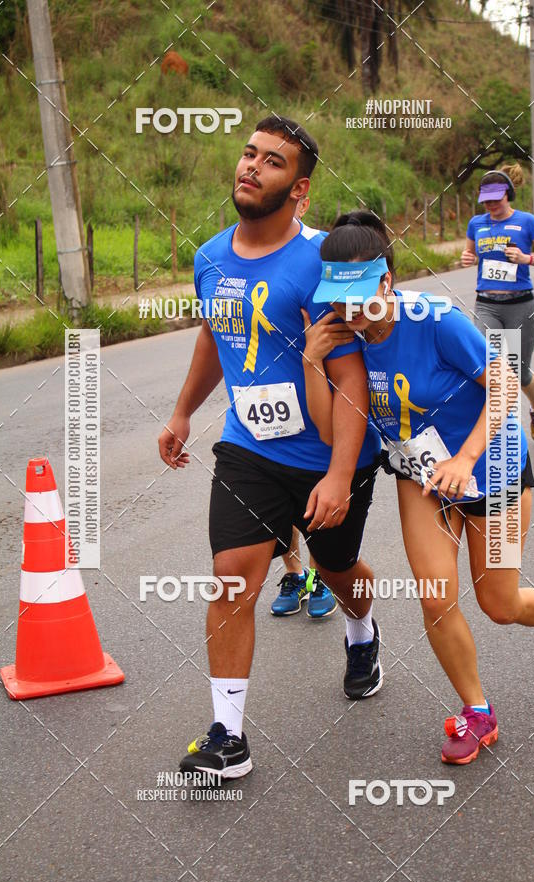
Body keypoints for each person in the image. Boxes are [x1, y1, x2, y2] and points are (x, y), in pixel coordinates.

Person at [303, 210, 534, 765]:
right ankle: (477, 710)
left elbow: (505, 382)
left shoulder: (435, 319)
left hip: (494, 467)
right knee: (435, 597)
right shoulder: (342, 335)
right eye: (338, 297)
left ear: (387, 279)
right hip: (420, 479)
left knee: (498, 604)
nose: (348, 310)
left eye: (360, 294)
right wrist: (315, 360)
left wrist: (466, 457)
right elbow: (330, 427)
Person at [158, 119, 383, 780]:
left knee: (339, 573)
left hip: (328, 454)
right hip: (248, 449)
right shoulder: (209, 256)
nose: (252, 167)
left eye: (273, 162)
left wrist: (341, 474)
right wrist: (182, 412)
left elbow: (350, 377)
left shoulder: (326, 262)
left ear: (301, 190)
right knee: (233, 574)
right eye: (249, 154)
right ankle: (227, 736)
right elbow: (213, 335)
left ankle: (363, 631)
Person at [271, 194, 337, 619]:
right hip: (269, 400)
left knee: (315, 496)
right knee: (278, 501)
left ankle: (320, 576)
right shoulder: (249, 249)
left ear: (303, 202)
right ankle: (294, 573)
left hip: (318, 392)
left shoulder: (324, 249)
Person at [461, 165, 534, 441]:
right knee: (484, 362)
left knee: (518, 369)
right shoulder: (476, 224)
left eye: (496, 199)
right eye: (486, 201)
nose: (491, 205)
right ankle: (494, 425)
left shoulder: (527, 222)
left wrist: (526, 258)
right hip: (486, 303)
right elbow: (469, 254)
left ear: (509, 195)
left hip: (521, 304)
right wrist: (468, 259)